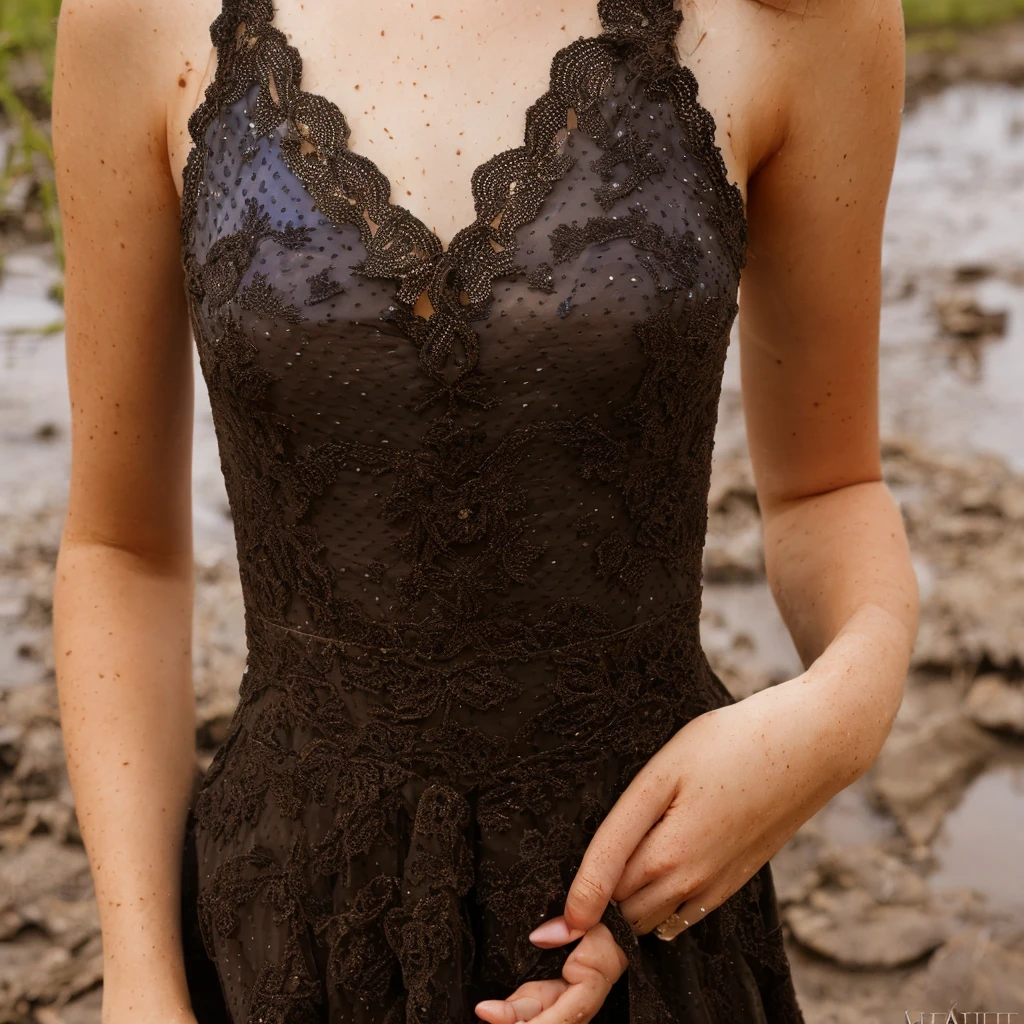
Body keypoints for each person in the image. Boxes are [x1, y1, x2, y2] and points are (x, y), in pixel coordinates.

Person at [50, 0, 917, 1020]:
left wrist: (839, 717)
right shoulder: (136, 17)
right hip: (289, 927)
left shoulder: (805, 18)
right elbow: (121, 547)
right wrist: (140, 977)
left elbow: (829, 492)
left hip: (644, 915)